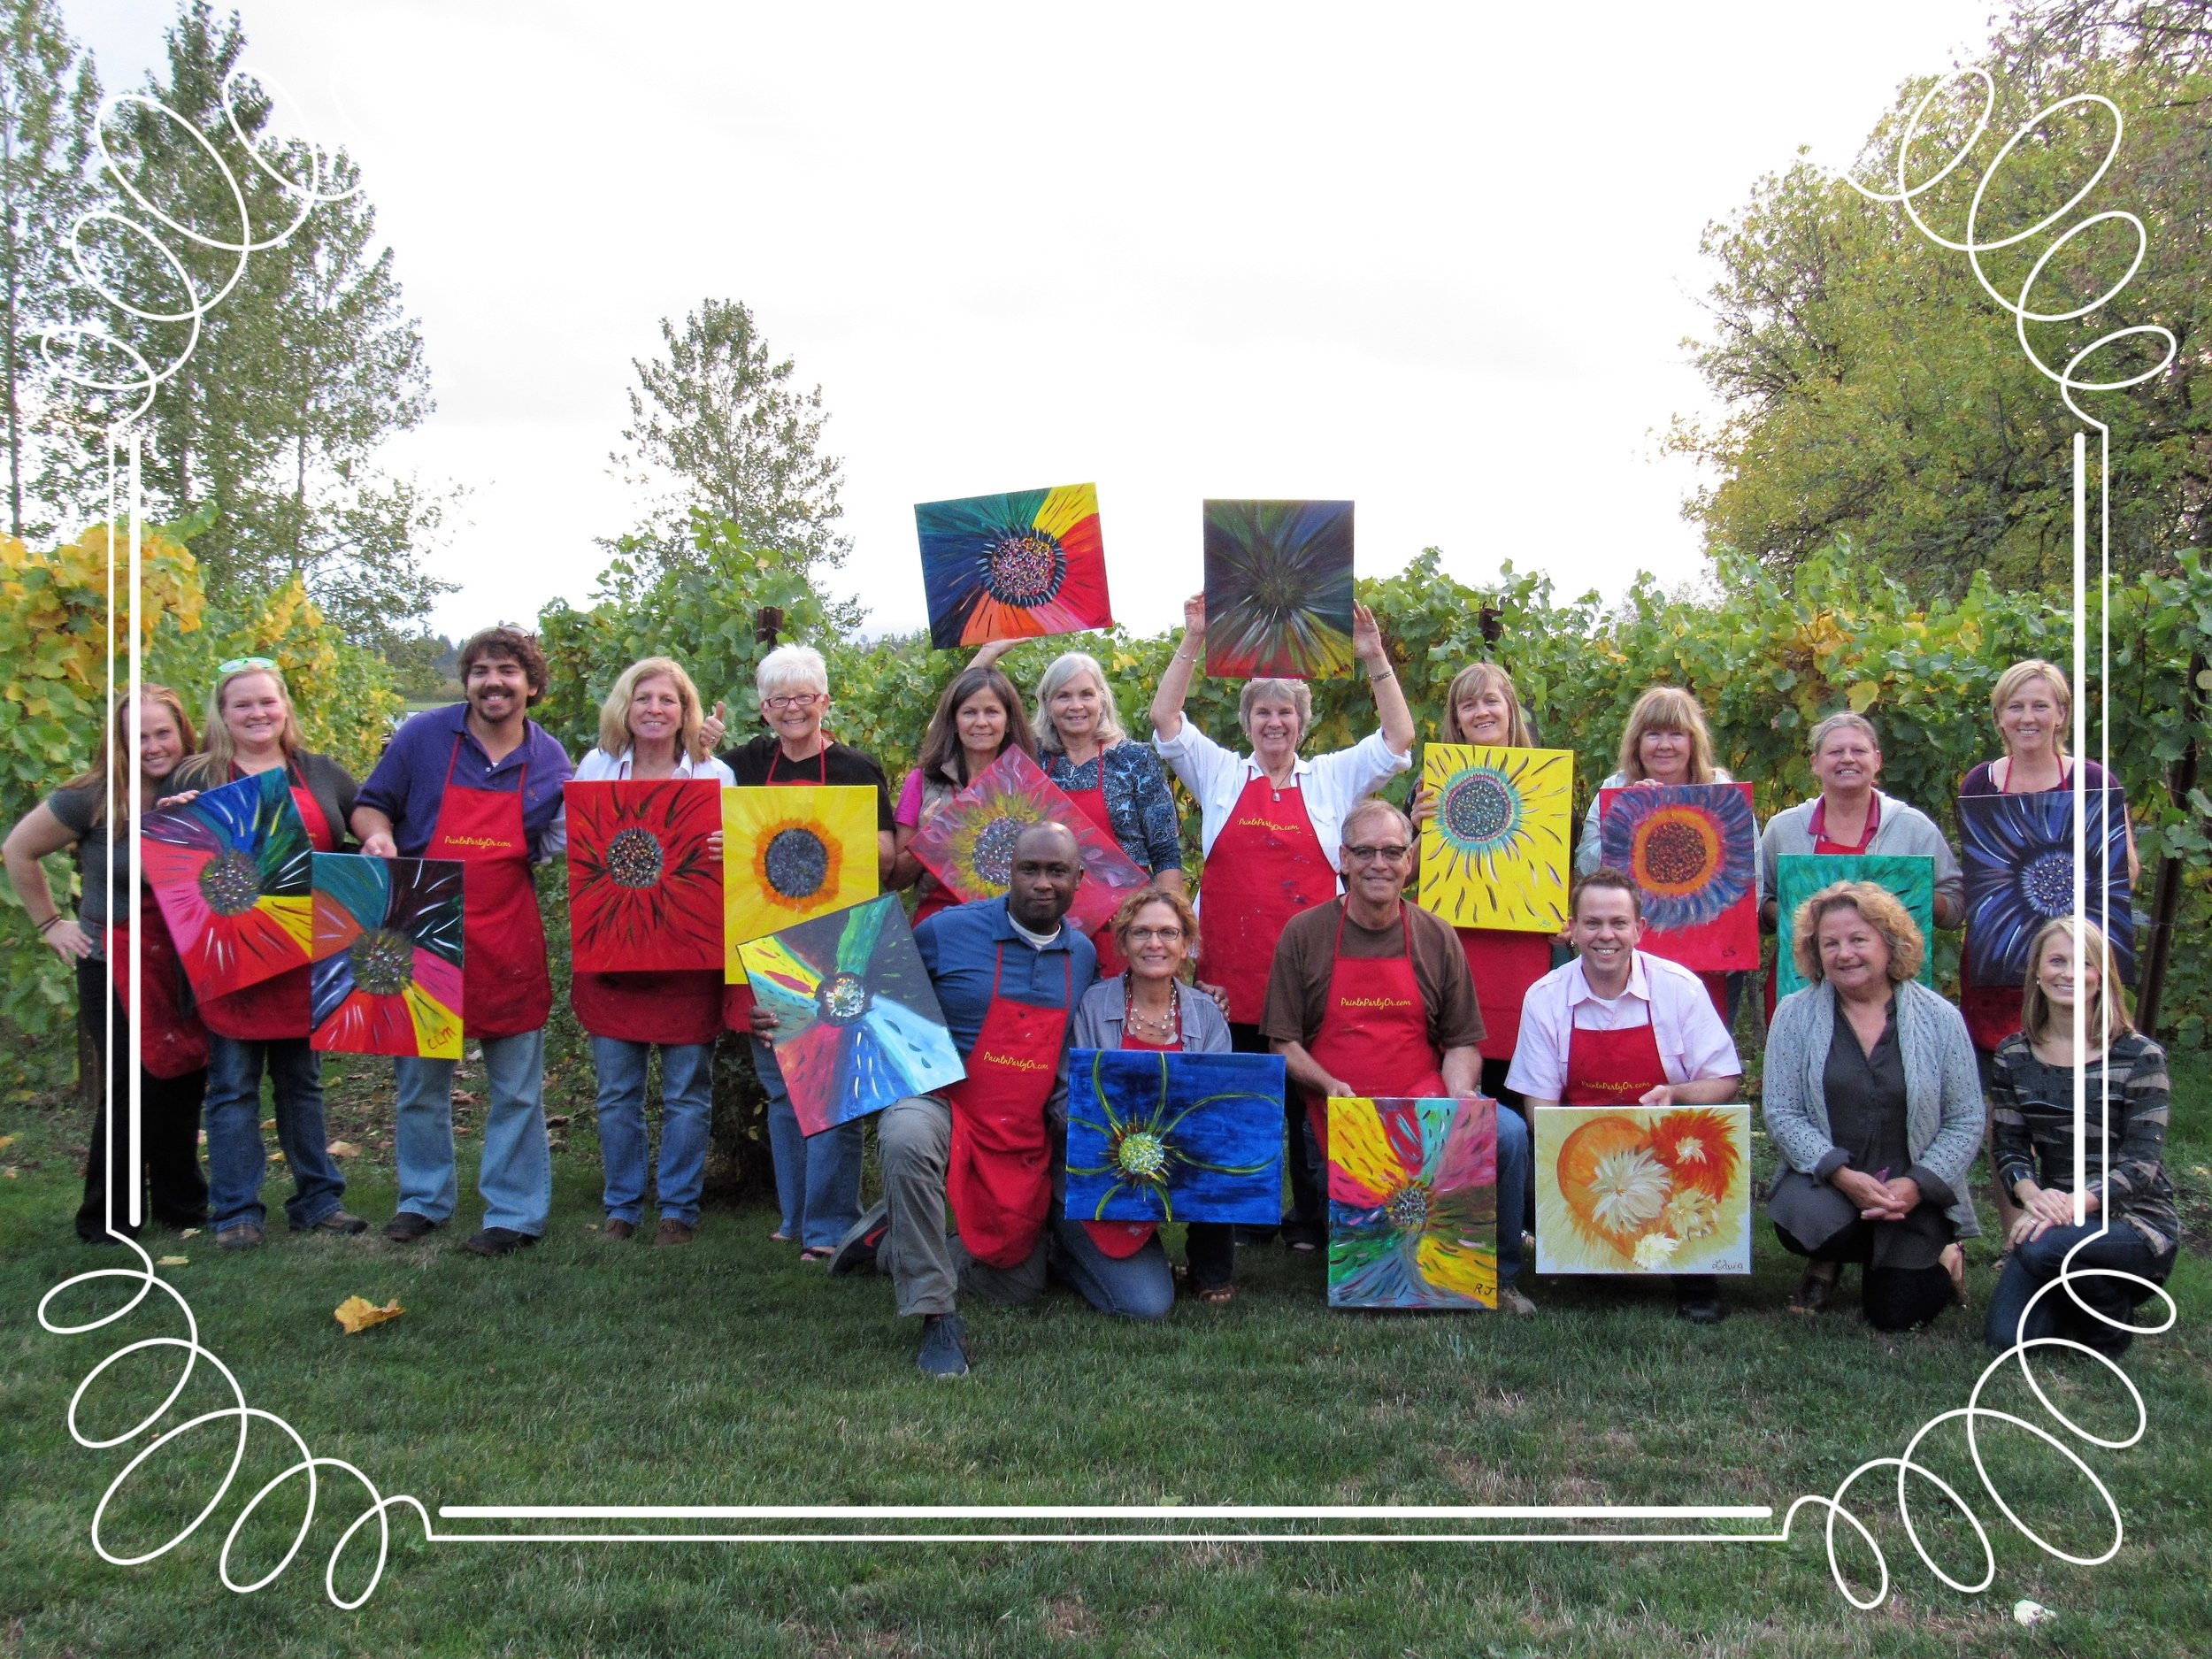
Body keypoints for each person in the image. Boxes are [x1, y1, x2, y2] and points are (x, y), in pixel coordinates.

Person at [820, 823, 1173, 1376]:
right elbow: (861, 982)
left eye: (1056, 871)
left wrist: (1209, 997)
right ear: (1006, 872)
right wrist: (795, 1010)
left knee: (1017, 1284)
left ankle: (891, 1245)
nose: (1041, 883)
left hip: (1023, 1132)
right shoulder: (946, 930)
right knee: (905, 1131)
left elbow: (1139, 1001)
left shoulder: (1082, 955)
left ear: (1078, 880)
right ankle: (937, 1317)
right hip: (947, 1106)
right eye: (1028, 869)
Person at [1150, 594, 1416, 1248]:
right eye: (1263, 711)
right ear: (1248, 722)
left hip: (1311, 968)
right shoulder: (1216, 770)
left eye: (1286, 711)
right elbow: (1164, 716)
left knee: (1310, 1098)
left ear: (1302, 721)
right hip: (1229, 969)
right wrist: (1194, 638)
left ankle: (1316, 1216)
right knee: (1240, 1090)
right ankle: (1246, 1213)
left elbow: (1398, 737)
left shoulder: (1328, 778)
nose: (1275, 722)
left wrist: (1373, 655)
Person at [1261, 797, 1536, 1312]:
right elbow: (1284, 1043)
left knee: (1509, 1133)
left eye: (1392, 851)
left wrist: (1459, 1094)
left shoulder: (1436, 936)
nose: (1379, 864)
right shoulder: (1305, 934)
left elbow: (1460, 1042)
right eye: (1365, 851)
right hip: (1342, 1113)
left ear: (1409, 861)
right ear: (1343, 858)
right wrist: (1326, 1085)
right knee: (1372, 1259)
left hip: (1422, 1103)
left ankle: (1498, 1276)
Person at [351, 626, 574, 1256]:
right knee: (421, 1081)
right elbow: (371, 805)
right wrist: (378, 837)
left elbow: (567, 840)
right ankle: (423, 1198)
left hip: (506, 934)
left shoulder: (551, 759)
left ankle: (515, 1210)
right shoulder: (424, 737)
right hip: (422, 928)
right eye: (479, 670)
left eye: (507, 670)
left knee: (516, 1088)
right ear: (467, 681)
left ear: (531, 684)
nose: (492, 681)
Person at [162, 659, 366, 1248]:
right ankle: (236, 1212)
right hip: (231, 956)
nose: (257, 713)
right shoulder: (191, 776)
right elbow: (168, 859)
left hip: (307, 955)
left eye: (266, 702)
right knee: (232, 1084)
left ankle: (318, 1199)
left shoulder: (321, 772)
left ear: (285, 707)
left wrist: (376, 837)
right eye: (242, 705)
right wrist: (176, 824)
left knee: (302, 1082)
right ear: (222, 714)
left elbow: (360, 827)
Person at [4, 688, 210, 1244]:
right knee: (129, 1083)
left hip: (185, 954)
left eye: (162, 733)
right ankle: (107, 1218)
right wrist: (51, 925)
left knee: (184, 1073)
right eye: (137, 736)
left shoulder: (202, 788)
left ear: (182, 732)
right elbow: (17, 850)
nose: (151, 746)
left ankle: (181, 1203)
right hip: (111, 956)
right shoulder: (90, 798)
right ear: (116, 742)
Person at [718, 643, 897, 1261]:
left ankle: (828, 1225)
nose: (793, 708)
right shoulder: (739, 766)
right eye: (779, 699)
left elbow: (886, 855)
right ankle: (795, 1215)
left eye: (805, 696)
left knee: (833, 1090)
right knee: (781, 1088)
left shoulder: (856, 768)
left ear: (825, 700)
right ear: (763, 708)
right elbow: (702, 815)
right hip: (762, 944)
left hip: (837, 947)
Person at [1507, 868, 1744, 1322]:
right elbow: (1538, 1109)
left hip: (1665, 1147)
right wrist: (1580, 1148)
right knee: (1534, 1175)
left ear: (1639, 929)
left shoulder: (1680, 988)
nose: (1605, 936)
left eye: (1618, 923)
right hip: (1584, 1153)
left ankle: (1697, 1277)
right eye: (1592, 923)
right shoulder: (1545, 997)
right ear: (1572, 930)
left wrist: (1676, 1093)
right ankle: (1582, 1255)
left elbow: (1723, 1081)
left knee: (1701, 1153)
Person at [1959, 657, 2139, 1233]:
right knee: (2006, 1104)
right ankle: (2019, 1231)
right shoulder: (1981, 784)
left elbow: (2125, 870)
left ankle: (2082, 1219)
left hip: (2073, 967)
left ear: (2062, 714)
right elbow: (1982, 874)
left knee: (2080, 1092)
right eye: (2016, 705)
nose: (2028, 716)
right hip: (2000, 969)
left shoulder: (2093, 780)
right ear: (1999, 717)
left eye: (2041, 705)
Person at [569, 657, 735, 1246]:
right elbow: (576, 847)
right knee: (618, 1091)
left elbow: (737, 863)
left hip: (688, 955)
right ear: (625, 707)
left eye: (668, 699)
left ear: (685, 711)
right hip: (615, 953)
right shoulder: (595, 768)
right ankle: (622, 1204)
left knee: (687, 1091)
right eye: (644, 698)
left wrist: (727, 845)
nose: (655, 709)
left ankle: (678, 1209)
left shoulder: (717, 775)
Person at [1762, 882, 1980, 1328]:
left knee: (1895, 1316)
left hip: (1911, 1190)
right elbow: (1782, 1112)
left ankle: (1943, 1252)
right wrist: (1842, 1175)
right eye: (1830, 943)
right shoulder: (1794, 1014)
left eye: (1858, 939)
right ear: (1815, 952)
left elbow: (1966, 1120)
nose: (1845, 953)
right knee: (1810, 1221)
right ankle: (1827, 1257)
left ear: (1889, 941)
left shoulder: (1940, 1019)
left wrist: (1917, 1185)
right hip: (1828, 1184)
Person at [1985, 918, 2176, 1358]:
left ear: (2102, 975)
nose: (2068, 973)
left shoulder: (2139, 1056)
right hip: (2054, 1215)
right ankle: (2077, 1299)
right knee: (2008, 1338)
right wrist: (2032, 1195)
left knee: (2042, 1246)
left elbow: (2141, 1168)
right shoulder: (2014, 1054)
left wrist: (2070, 1206)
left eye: (2084, 963)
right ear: (2036, 970)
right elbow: (2008, 1145)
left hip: (2134, 1223)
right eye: (2057, 961)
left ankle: (2111, 1321)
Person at [1068, 887, 1237, 1302]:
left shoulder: (1208, 1013)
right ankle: (1076, 1247)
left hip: (1188, 1151)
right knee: (1148, 1303)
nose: (1155, 943)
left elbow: (1219, 1109)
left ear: (1186, 945)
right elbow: (1074, 1097)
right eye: (1141, 933)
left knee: (1222, 1151)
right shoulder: (1092, 1006)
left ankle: (1209, 1266)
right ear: (1123, 942)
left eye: (1168, 933)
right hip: (1109, 1157)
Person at [1757, 710, 1964, 1021]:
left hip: (1892, 992)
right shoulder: (1784, 829)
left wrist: (1912, 895)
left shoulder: (1912, 827)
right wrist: (1792, 908)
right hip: (1802, 985)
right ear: (1815, 763)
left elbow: (1956, 907)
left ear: (1877, 760)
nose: (1847, 759)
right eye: (1836, 752)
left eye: (1858, 751)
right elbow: (1757, 906)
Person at [1409, 661, 1552, 1107]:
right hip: (1452, 944)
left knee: (1521, 1073)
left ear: (1511, 709)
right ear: (1456, 719)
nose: (1481, 712)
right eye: (1467, 705)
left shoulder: (1545, 781)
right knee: (1454, 1072)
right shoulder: (1430, 783)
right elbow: (1406, 874)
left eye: (1490, 700)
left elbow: (1553, 870)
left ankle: (1516, 1175)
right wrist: (1415, 831)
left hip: (1519, 950)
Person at [1571, 685, 1752, 1025]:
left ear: (1693, 742)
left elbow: (1747, 877)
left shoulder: (1722, 792)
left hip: (1709, 960)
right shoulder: (1615, 789)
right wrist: (1628, 820)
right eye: (1653, 734)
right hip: (1631, 963)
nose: (1665, 745)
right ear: (1637, 743)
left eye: (1676, 734)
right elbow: (1587, 865)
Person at [1032, 650, 1186, 973]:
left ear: (1102, 699)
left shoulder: (1134, 760)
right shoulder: (1034, 761)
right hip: (1050, 925)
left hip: (1126, 926)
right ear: (1047, 703)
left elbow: (1166, 852)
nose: (1076, 705)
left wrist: (1168, 927)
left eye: (1086, 694)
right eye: (1063, 696)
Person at [890, 662, 1037, 929]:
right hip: (937, 927)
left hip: (1008, 928)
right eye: (969, 712)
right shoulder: (923, 781)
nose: (981, 722)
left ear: (1007, 722)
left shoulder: (1029, 787)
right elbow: (895, 879)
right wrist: (928, 841)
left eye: (992, 712)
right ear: (954, 723)